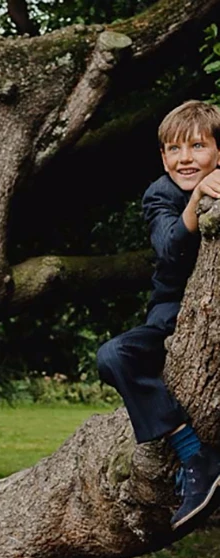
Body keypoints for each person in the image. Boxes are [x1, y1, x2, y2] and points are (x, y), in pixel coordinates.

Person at [97, 100, 220, 533]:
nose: (185, 158)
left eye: (197, 146)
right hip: (171, 317)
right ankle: (194, 454)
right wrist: (199, 199)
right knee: (113, 356)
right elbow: (169, 250)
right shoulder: (161, 193)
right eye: (173, 149)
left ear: (219, 153)